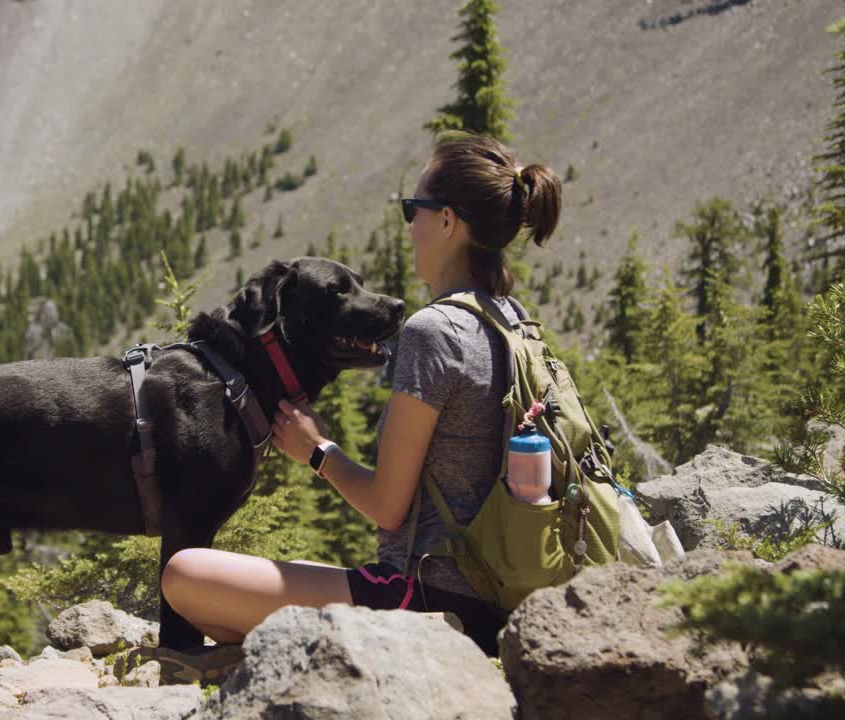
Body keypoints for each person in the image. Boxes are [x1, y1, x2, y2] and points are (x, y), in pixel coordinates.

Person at [139, 131, 563, 684]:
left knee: (184, 574)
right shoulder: (512, 318)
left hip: (428, 601)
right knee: (271, 577)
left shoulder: (435, 331)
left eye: (413, 209)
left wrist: (318, 451)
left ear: (447, 221)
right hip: (501, 598)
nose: (408, 225)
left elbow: (387, 507)